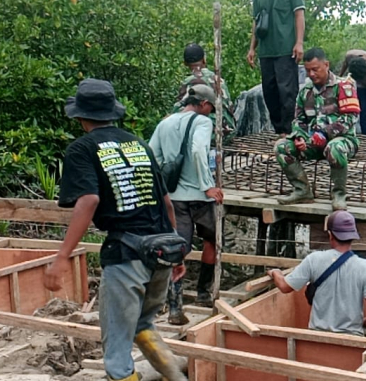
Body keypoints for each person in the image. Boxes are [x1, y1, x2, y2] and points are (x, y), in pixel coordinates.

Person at [44, 79, 187, 381]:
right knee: (143, 326)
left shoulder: (82, 149)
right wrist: (177, 255)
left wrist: (61, 257)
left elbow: (89, 200)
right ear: (112, 112)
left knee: (117, 354)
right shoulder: (138, 144)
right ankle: (178, 378)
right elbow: (166, 204)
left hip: (127, 256)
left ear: (80, 116)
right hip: (162, 250)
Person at [150, 85, 224, 325]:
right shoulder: (202, 123)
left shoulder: (165, 123)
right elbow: (197, 150)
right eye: (210, 109)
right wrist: (206, 186)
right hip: (199, 198)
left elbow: (153, 155)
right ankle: (203, 293)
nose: (210, 114)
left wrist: (162, 187)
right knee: (212, 239)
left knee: (175, 247)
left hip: (174, 198)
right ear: (203, 104)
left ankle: (174, 306)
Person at [266, 210, 366, 336]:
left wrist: (275, 273)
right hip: (352, 340)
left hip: (318, 338)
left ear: (330, 235)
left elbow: (284, 287)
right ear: (353, 236)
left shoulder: (314, 260)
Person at [274, 48, 360, 210]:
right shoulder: (305, 92)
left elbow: (350, 118)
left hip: (343, 141)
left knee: (334, 148)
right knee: (281, 147)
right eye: (308, 71)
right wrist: (299, 137)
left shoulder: (343, 87)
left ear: (326, 65)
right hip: (313, 142)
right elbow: (299, 120)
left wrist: (324, 134)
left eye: (315, 69)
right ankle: (302, 190)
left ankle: (339, 195)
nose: (311, 74)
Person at [247, 0, 306, 136]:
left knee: (287, 92)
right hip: (266, 50)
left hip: (285, 49)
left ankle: (289, 132)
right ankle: (278, 130)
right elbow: (256, 22)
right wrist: (252, 49)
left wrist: (299, 42)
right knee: (269, 93)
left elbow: (299, 14)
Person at [172, 42, 236, 143]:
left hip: (207, 136)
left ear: (185, 63)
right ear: (204, 60)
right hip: (227, 133)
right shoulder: (219, 80)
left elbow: (176, 113)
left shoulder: (189, 82)